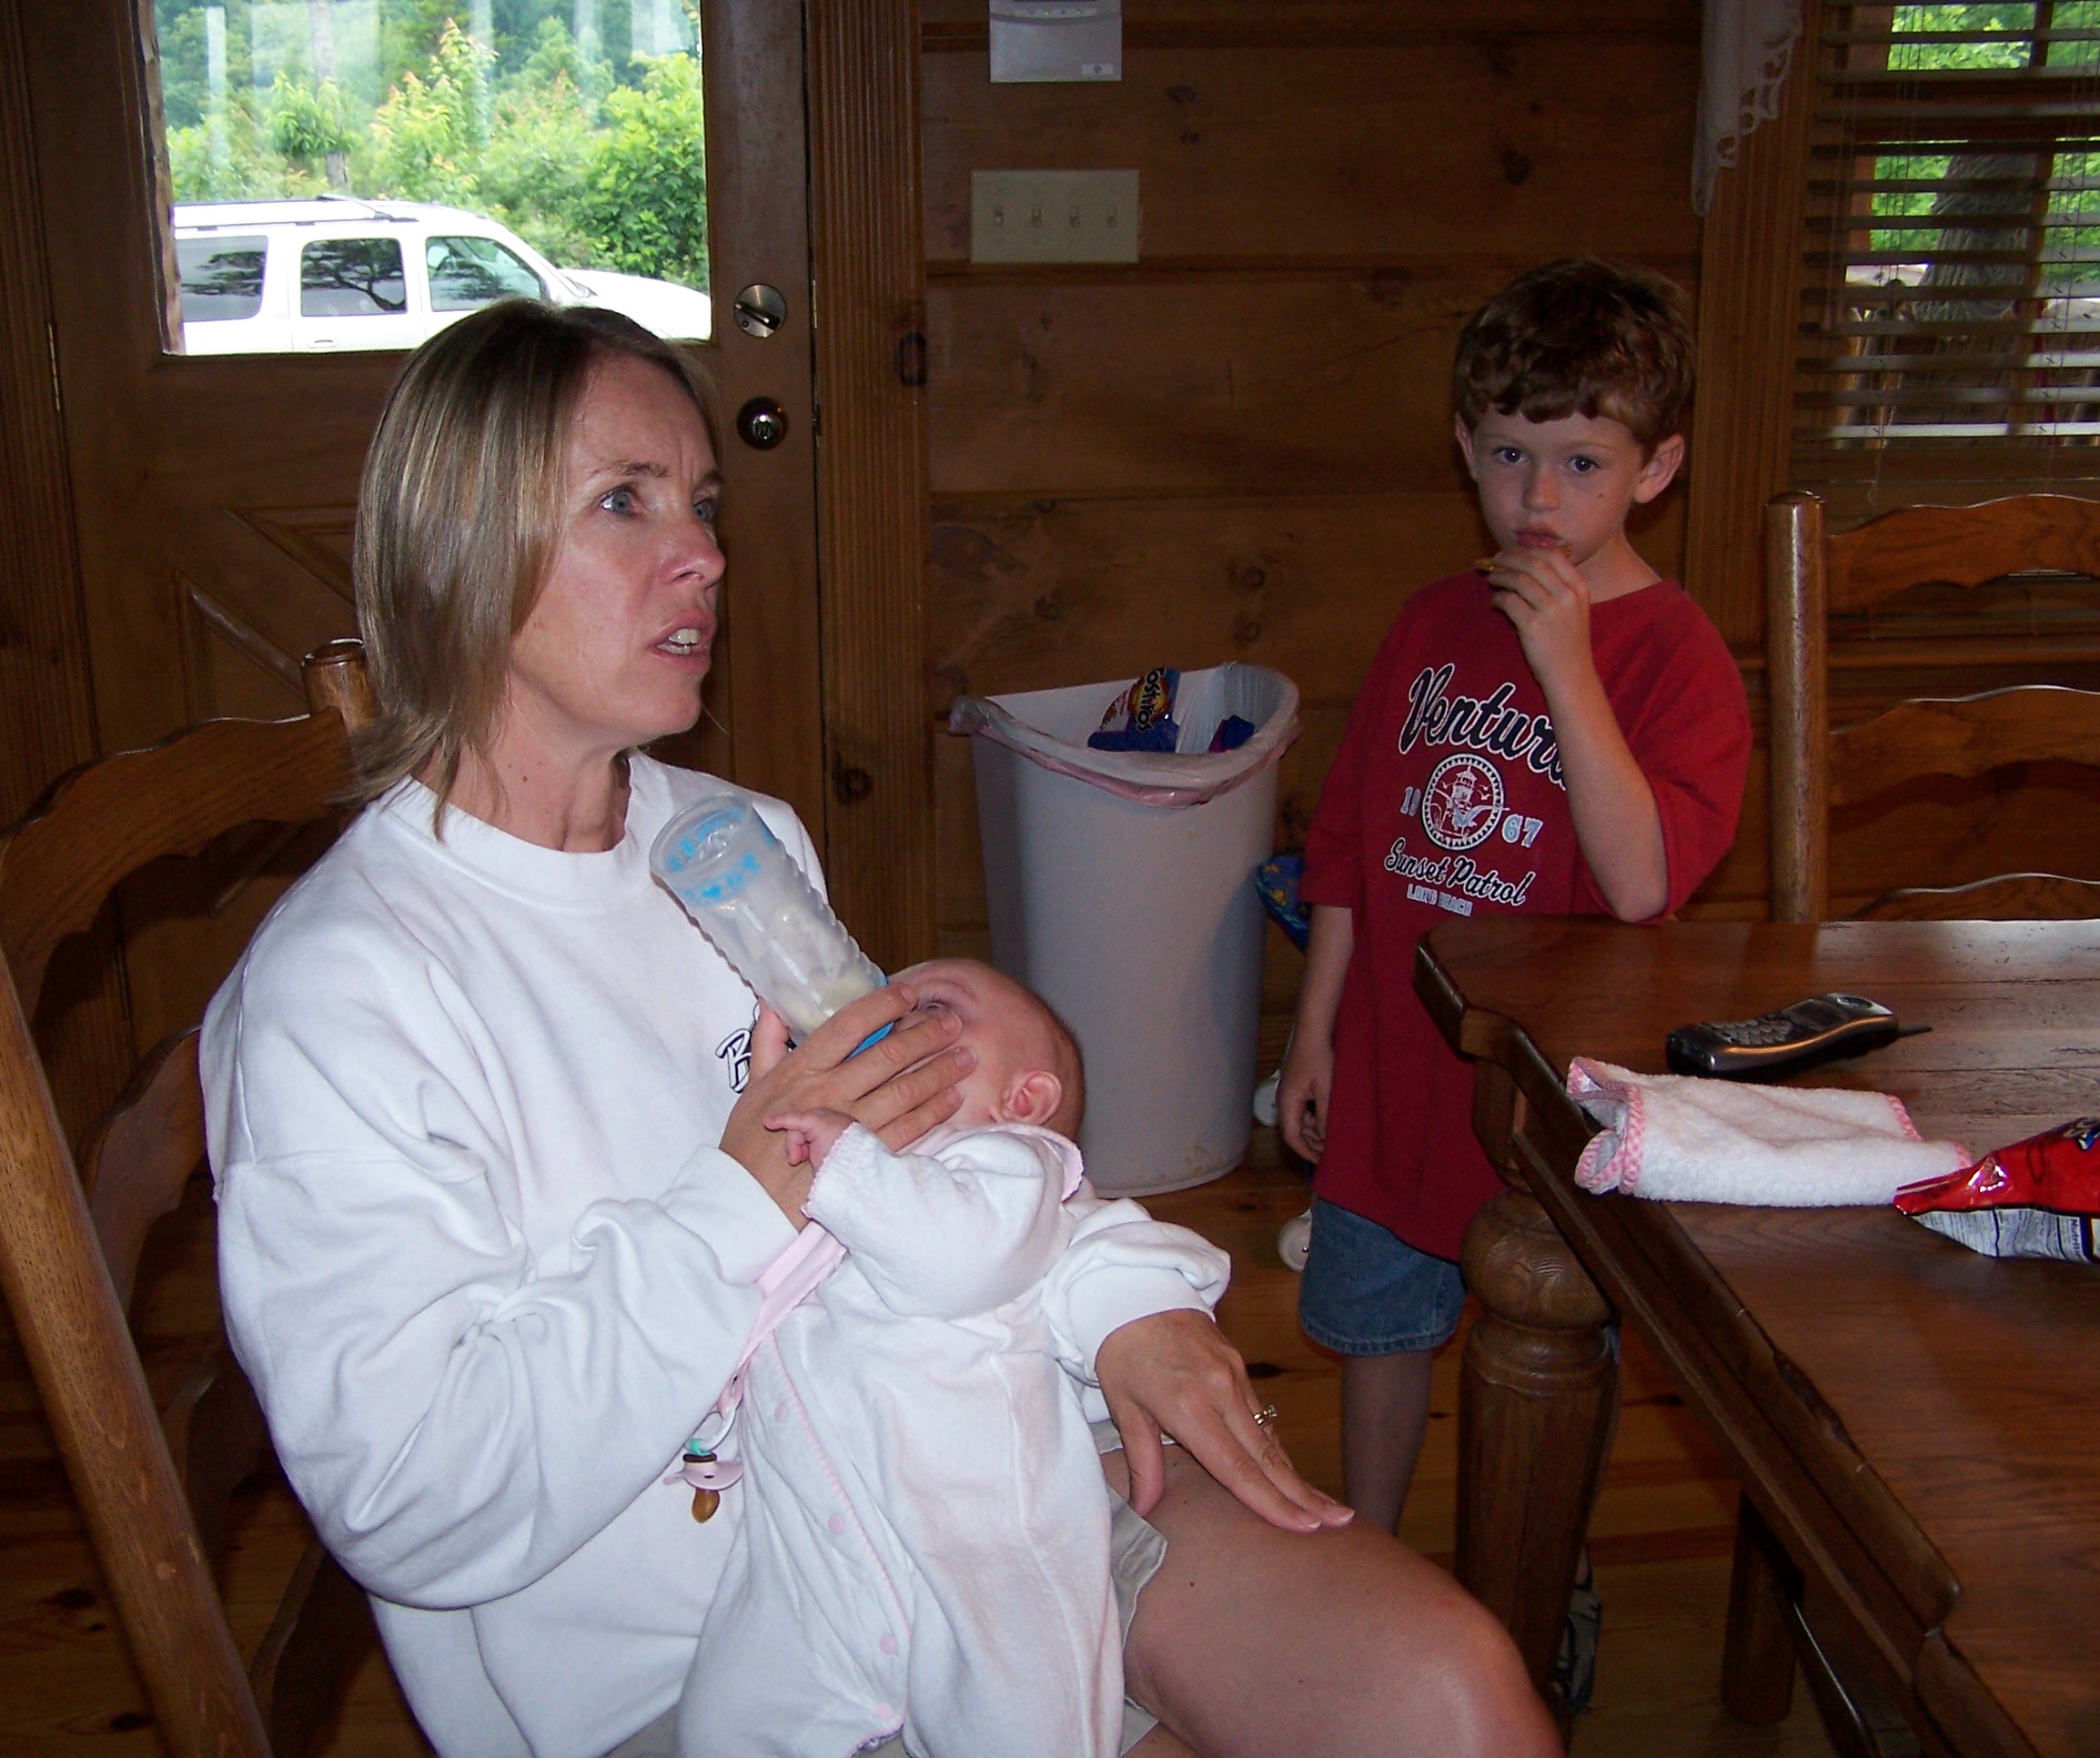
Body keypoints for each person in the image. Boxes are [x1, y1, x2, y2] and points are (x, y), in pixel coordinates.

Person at [202, 297, 1560, 1758]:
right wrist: (749, 1188)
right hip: (703, 1679)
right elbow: (414, 1501)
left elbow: (946, 1144)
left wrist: (1120, 1304)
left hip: (964, 1499)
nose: (708, 555)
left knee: (1450, 1695)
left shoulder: (734, 842)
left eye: (705, 503)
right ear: (458, 550)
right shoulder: (345, 995)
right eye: (625, 502)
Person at [1278, 259, 1751, 1552]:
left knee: (1551, 1342)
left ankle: (1539, 1570)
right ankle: (1366, 1564)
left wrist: (1564, 660)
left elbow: (1644, 881)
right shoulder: (1431, 622)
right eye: (1508, 454)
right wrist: (1314, 1033)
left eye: (1582, 463)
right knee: (1380, 1328)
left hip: (1556, 1092)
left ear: (1655, 470)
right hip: (1396, 1063)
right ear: (1465, 449)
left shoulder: (1679, 656)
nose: (1538, 496)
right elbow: (1350, 846)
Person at [680, 957, 1224, 1758]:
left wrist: (845, 1160)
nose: (891, 1017)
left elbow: (954, 1258)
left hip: (979, 1555)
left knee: (1024, 1720)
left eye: (933, 1007)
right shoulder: (846, 1184)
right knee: (724, 1722)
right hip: (810, 1564)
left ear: (1022, 1100)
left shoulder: (1010, 1168)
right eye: (887, 1005)